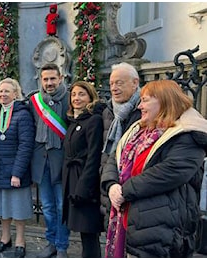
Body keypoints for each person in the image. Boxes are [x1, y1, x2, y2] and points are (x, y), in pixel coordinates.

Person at [101, 79, 207, 257]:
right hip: (129, 221)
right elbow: (115, 157)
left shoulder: (187, 135)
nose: (139, 106)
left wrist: (124, 191)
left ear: (165, 100)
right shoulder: (138, 130)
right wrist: (111, 185)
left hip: (162, 230)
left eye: (145, 100)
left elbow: (170, 172)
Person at [0, 78, 34, 258]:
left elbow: (25, 146)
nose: (3, 94)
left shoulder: (23, 115)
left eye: (7, 91)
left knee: (19, 208)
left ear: (16, 93)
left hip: (16, 172)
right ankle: (5, 238)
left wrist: (17, 172)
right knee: (3, 208)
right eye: (0, 91)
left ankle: (20, 240)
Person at [29, 63, 70, 258]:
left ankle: (62, 245)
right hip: (41, 160)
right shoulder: (35, 101)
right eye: (45, 79)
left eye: (53, 78)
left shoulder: (70, 98)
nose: (49, 83)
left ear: (60, 78)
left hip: (61, 159)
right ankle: (51, 241)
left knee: (62, 205)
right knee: (47, 206)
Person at [62, 81, 104, 257]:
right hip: (73, 179)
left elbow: (94, 156)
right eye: (73, 95)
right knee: (82, 231)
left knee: (89, 231)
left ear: (90, 97)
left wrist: (83, 187)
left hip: (85, 183)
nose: (76, 98)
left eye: (81, 94)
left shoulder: (93, 120)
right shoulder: (74, 121)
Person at [100, 62, 141, 227]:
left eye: (119, 83)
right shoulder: (109, 111)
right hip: (111, 180)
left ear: (135, 83)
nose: (114, 88)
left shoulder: (143, 111)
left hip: (133, 186)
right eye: (111, 84)